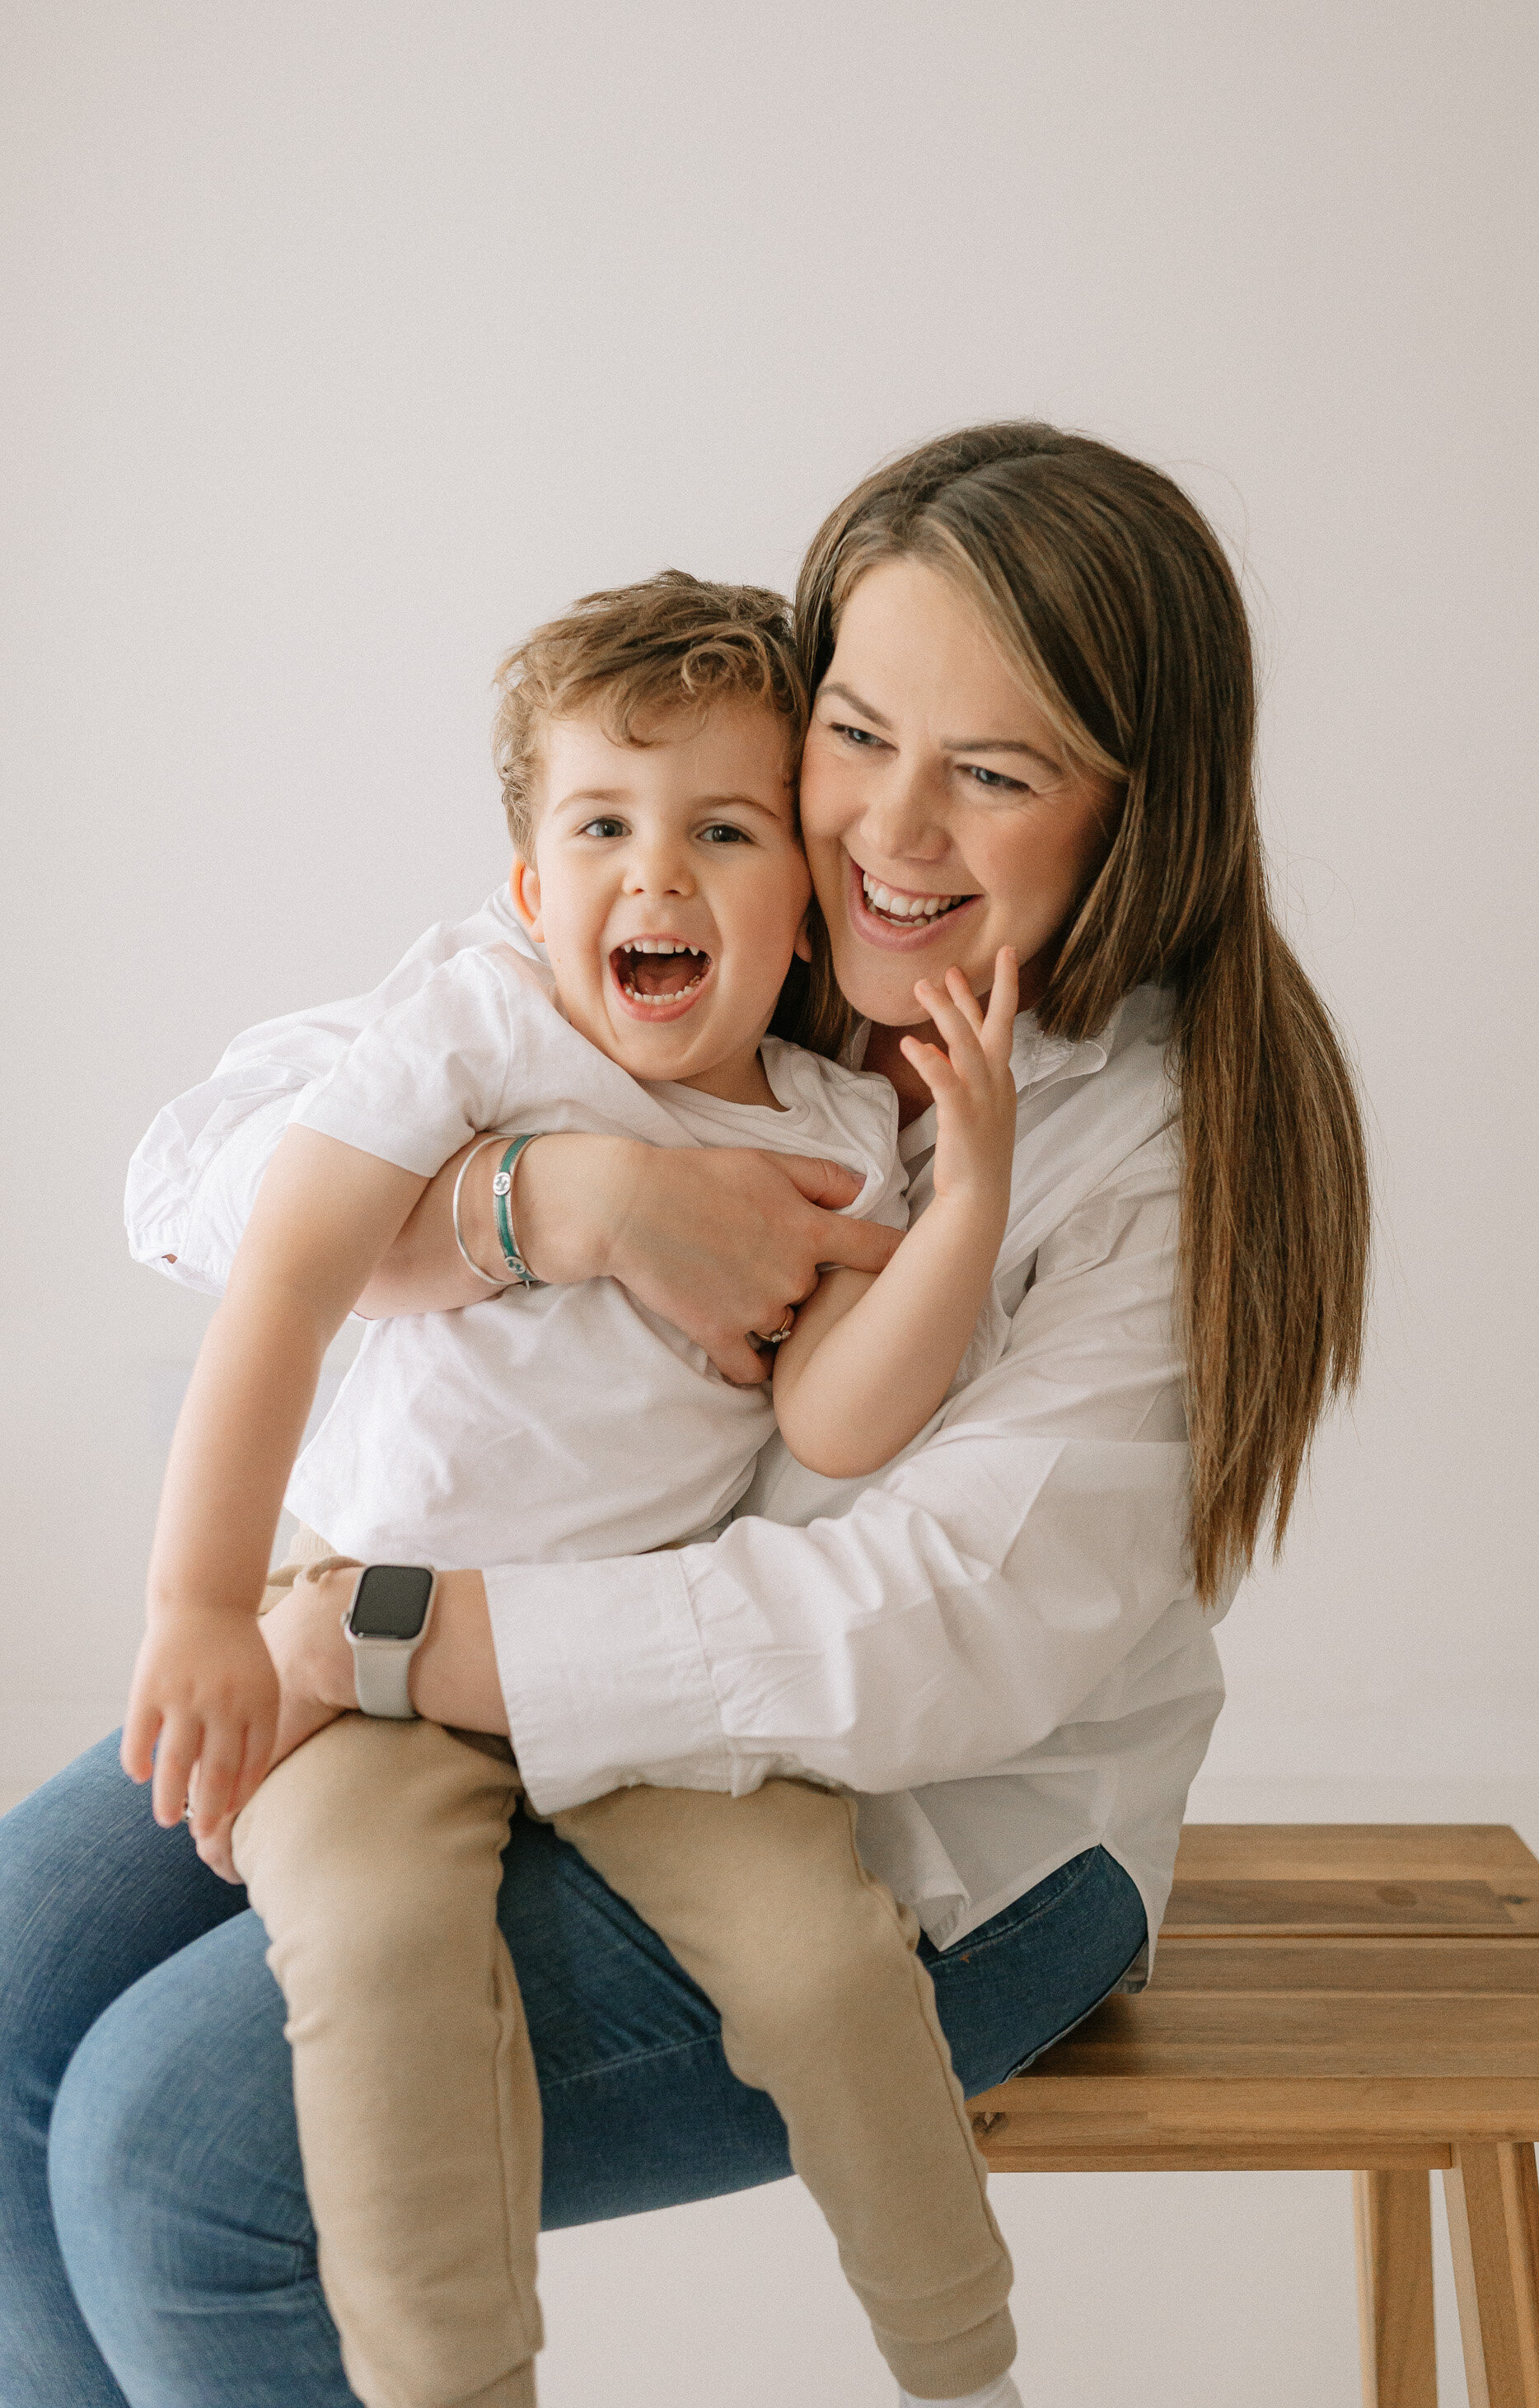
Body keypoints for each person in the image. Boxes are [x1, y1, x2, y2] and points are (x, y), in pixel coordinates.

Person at [0, 422, 1369, 2408]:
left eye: (990, 774)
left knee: (176, 2155)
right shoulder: (722, 906)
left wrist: (386, 1632)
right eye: (859, 732)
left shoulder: (1153, 1145)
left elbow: (916, 1639)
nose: (889, 829)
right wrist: (547, 1201)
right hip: (487, 1670)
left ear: (1130, 817)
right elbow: (200, 1171)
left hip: (921, 1829)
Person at [124, 567, 1031, 2408]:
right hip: (364, 1654)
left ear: (800, 913)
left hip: (620, 1673)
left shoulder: (832, 1123)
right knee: (379, 1964)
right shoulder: (479, 1024)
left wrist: (970, 1204)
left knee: (832, 1964)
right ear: (532, 892)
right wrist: (198, 1605)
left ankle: (966, 2367)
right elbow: (286, 1268)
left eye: (720, 828)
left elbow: (844, 1416)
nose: (657, 873)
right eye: (601, 827)